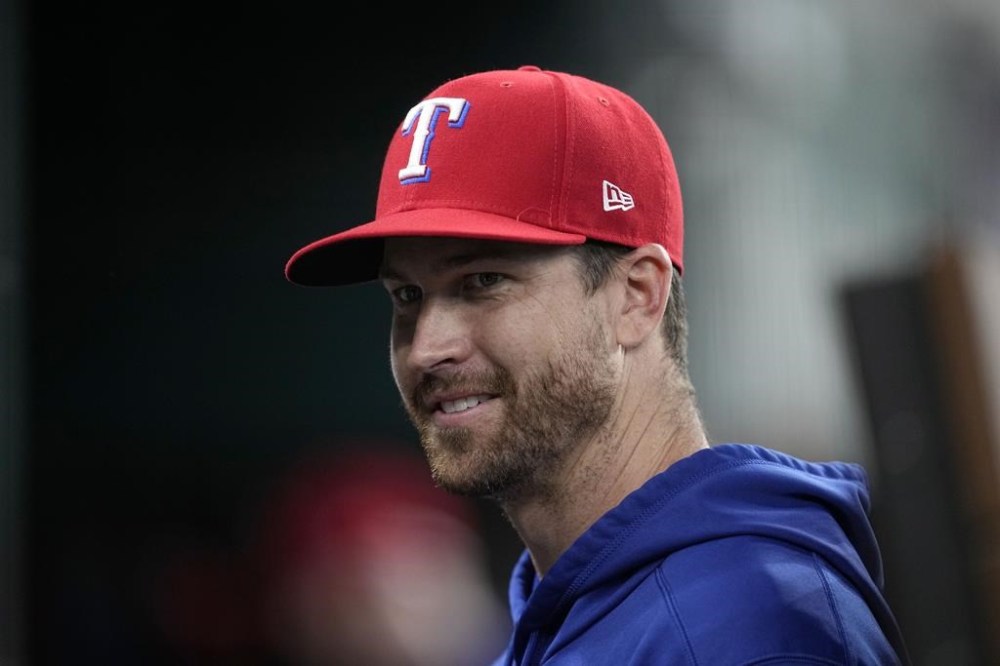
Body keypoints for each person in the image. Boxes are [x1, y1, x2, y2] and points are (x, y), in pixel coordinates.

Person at [283, 65, 910, 665]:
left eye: (483, 281)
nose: (426, 347)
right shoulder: (574, 612)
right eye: (408, 297)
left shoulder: (747, 630)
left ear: (637, 296)